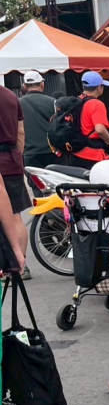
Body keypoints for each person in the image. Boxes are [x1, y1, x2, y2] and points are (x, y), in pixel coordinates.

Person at [0, 82, 30, 277]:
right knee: (15, 214)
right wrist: (17, 154)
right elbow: (20, 131)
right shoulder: (10, 96)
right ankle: (20, 266)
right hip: (11, 159)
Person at [68, 71, 109, 168]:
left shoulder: (76, 101)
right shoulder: (97, 104)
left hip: (75, 152)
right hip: (93, 155)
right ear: (99, 87)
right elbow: (100, 129)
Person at [18, 71, 57, 175]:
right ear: (42, 84)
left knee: (35, 183)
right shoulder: (53, 102)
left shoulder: (18, 103)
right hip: (51, 152)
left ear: (25, 86)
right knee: (55, 182)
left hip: (30, 153)